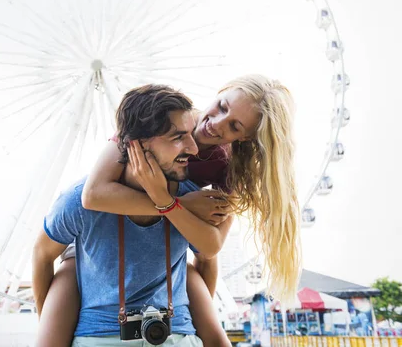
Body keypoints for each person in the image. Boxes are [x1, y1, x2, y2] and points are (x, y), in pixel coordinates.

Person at [37, 75, 302, 346]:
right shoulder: (162, 120)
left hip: (170, 238)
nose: (216, 124)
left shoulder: (228, 167)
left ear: (245, 138)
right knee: (64, 288)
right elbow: (93, 195)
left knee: (198, 287)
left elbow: (210, 248)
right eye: (222, 106)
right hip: (108, 230)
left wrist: (171, 205)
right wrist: (176, 205)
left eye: (234, 126)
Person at [33, 84, 230, 346]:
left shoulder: (195, 200)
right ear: (137, 144)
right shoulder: (79, 202)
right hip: (99, 334)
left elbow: (207, 258)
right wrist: (46, 325)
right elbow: (42, 254)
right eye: (177, 137)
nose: (194, 149)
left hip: (177, 333)